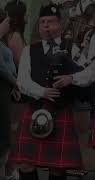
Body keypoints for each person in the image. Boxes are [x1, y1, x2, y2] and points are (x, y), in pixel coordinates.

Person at [10, 4, 91, 180]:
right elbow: (22, 80)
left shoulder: (72, 48)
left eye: (51, 22)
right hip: (34, 109)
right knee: (25, 163)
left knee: (57, 168)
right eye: (42, 22)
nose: (46, 25)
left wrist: (72, 78)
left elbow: (90, 73)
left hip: (60, 111)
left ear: (60, 25)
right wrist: (42, 91)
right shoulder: (28, 50)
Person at [0, 11, 19, 180]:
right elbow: (1, 68)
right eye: (6, 21)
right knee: (4, 134)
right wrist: (16, 82)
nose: (8, 25)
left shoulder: (3, 41)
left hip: (6, 89)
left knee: (8, 131)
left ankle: (8, 169)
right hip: (3, 90)